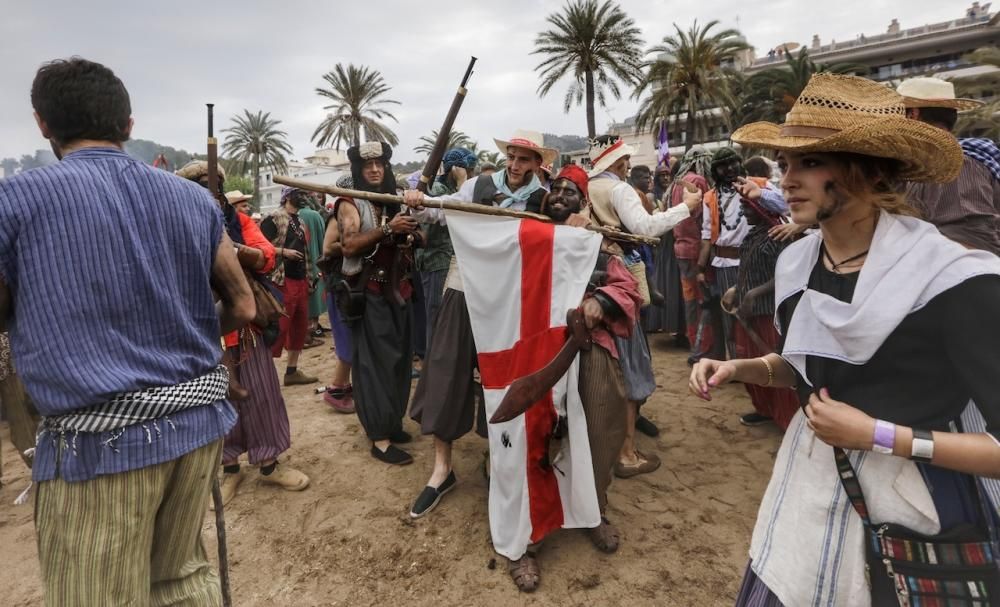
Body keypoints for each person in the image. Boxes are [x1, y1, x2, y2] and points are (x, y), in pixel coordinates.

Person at [691, 73, 1000, 606]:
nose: (786, 180)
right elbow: (809, 365)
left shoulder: (955, 279)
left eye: (810, 163)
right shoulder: (797, 263)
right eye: (785, 164)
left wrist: (881, 435)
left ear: (867, 171)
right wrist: (744, 369)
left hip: (915, 516)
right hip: (806, 500)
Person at [0, 57, 254, 605]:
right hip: (196, 428)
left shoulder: (14, 202)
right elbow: (243, 305)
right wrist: (192, 340)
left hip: (97, 446)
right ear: (129, 125)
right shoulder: (192, 200)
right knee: (181, 580)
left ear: (42, 124)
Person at [402, 129, 557, 515]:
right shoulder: (478, 185)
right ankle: (442, 469)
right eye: (512, 157)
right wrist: (419, 203)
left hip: (510, 299)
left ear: (539, 163)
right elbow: (439, 210)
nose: (516, 164)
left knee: (503, 378)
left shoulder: (545, 200)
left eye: (525, 159)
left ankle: (497, 459)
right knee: (444, 370)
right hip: (463, 286)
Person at [177, 162, 310, 506]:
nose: (210, 192)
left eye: (214, 185)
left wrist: (231, 249)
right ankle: (229, 468)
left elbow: (266, 257)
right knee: (215, 399)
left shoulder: (240, 222)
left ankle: (268, 463)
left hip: (246, 329)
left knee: (261, 393)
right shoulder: (175, 228)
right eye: (201, 186)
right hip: (202, 328)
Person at [585, 135, 702, 476]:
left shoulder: (584, 188)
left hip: (590, 280)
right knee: (630, 363)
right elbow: (645, 228)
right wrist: (687, 208)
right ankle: (626, 453)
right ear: (619, 164)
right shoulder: (618, 190)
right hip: (620, 279)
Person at [338, 141, 421, 465]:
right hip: (370, 294)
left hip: (400, 291)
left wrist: (412, 235)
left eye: (379, 164)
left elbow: (405, 237)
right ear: (358, 170)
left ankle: (392, 423)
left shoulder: (396, 199)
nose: (374, 170)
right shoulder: (350, 204)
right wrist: (389, 228)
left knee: (400, 363)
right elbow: (348, 245)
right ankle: (380, 437)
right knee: (374, 366)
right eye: (367, 165)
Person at [696, 148, 787, 360]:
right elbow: (707, 235)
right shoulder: (710, 196)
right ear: (715, 171)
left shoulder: (761, 185)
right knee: (732, 316)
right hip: (725, 264)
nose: (728, 169)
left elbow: (784, 206)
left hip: (761, 259)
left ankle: (769, 359)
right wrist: (700, 269)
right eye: (722, 166)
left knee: (763, 311)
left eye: (732, 164)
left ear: (740, 163)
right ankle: (738, 362)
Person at [721, 190, 798, 429]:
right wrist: (737, 288)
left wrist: (753, 294)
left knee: (772, 364)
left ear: (762, 210)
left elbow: (784, 275)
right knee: (751, 362)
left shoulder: (777, 236)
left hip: (768, 313)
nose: (743, 212)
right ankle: (765, 409)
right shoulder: (754, 234)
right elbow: (750, 268)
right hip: (749, 312)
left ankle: (787, 419)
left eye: (747, 207)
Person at [898, 76, 1000, 255]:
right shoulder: (927, 163)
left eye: (897, 113)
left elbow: (971, 239)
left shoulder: (953, 164)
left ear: (912, 114)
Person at [417, 148, 477, 353]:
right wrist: (462, 183)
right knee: (436, 314)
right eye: (467, 169)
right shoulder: (442, 190)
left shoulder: (450, 190)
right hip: (437, 260)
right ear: (456, 169)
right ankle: (431, 362)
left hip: (445, 259)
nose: (470, 174)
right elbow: (456, 212)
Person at [261, 187, 320, 385]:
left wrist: (310, 277)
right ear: (287, 197)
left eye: (305, 193)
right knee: (280, 328)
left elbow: (306, 251)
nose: (304, 197)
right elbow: (259, 246)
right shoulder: (274, 218)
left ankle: (292, 371)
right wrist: (283, 252)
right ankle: (265, 375)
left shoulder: (301, 221)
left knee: (299, 327)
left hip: (300, 279)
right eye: (299, 194)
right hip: (280, 280)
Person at [664, 148, 715, 362]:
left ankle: (695, 345)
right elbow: (705, 219)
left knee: (690, 301)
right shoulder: (699, 181)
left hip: (681, 249)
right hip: (697, 250)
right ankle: (703, 349)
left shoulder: (677, 183)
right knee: (703, 301)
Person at [319, 174, 356, 413]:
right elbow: (327, 247)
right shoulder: (338, 216)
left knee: (350, 338)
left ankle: (345, 385)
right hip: (339, 285)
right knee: (346, 341)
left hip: (346, 284)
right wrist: (353, 242)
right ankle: (336, 389)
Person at [299, 199, 328, 347]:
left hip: (296, 265)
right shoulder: (315, 216)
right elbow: (324, 241)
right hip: (315, 263)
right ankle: (308, 336)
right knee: (314, 299)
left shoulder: (289, 215)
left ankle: (303, 336)